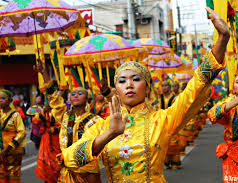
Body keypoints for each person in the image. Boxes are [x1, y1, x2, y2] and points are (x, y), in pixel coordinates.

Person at [60, 7, 229, 182]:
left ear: (147, 88)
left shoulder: (161, 120)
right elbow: (69, 159)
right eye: (122, 81)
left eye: (135, 79)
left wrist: (222, 39)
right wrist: (110, 134)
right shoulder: (101, 126)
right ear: (116, 89)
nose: (129, 85)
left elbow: (194, 90)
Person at [35, 60, 102, 183]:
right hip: (67, 170)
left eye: (80, 93)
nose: (75, 95)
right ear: (69, 99)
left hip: (87, 172)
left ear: (86, 98)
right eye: (73, 94)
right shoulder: (67, 117)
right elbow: (54, 98)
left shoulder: (95, 120)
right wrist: (44, 73)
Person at [0, 89, 26, 183]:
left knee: (13, 178)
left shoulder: (15, 115)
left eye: (3, 98)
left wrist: (9, 147)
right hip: (1, 151)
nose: (0, 100)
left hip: (13, 152)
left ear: (10, 100)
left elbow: (22, 133)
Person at [33, 105, 62, 183]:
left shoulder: (62, 109)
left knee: (57, 163)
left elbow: (68, 125)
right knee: (46, 162)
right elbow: (35, 121)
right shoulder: (45, 111)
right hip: (46, 139)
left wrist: (56, 129)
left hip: (58, 140)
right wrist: (43, 112)